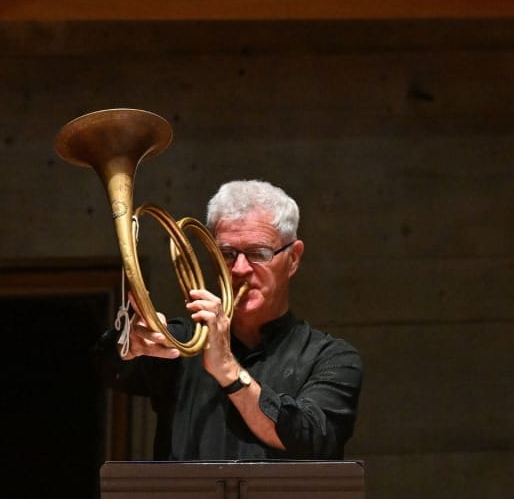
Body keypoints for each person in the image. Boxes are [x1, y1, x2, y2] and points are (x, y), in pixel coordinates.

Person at [97, 179, 363, 461]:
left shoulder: (332, 357)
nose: (239, 269)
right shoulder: (182, 342)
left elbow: (311, 438)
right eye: (226, 253)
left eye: (258, 253)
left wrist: (228, 370)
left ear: (293, 258)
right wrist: (129, 343)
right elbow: (103, 366)